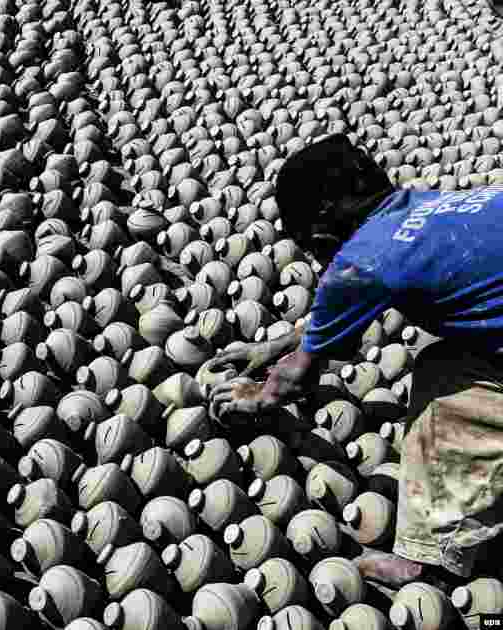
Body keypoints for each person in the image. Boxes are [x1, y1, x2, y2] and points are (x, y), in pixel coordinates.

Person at [208, 133, 503, 586]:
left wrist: (255, 395)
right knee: (449, 358)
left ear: (322, 236)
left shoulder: (360, 261)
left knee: (447, 387)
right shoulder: (428, 208)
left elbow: (293, 382)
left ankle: (429, 558)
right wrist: (275, 346)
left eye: (312, 250)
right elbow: (344, 314)